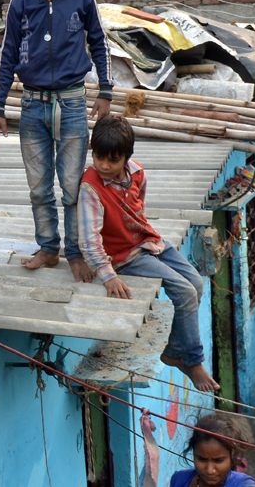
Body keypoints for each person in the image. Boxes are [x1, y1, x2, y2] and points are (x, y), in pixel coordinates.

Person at [0, 0, 112, 278]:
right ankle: (48, 247)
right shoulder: (20, 4)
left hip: (73, 102)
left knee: (72, 185)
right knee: (39, 186)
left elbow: (100, 43)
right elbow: (7, 55)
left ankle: (75, 251)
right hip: (32, 105)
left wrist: (105, 90)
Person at [78, 115, 219, 392]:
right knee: (185, 291)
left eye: (112, 160)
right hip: (124, 256)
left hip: (148, 241)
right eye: (98, 157)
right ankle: (192, 360)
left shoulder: (138, 173)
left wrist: (150, 242)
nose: (104, 166)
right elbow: (89, 239)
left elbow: (137, 210)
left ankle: (174, 351)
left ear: (126, 158)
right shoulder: (90, 187)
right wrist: (108, 276)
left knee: (198, 282)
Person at [170, 413, 255, 487]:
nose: (210, 470)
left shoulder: (244, 484)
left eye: (218, 460)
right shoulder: (179, 480)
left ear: (232, 455)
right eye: (202, 459)